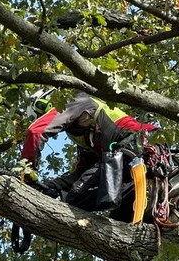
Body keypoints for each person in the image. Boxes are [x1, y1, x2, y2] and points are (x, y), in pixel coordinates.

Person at [21, 91, 158, 215]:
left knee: (76, 196)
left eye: (42, 115)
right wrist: (50, 186)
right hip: (124, 158)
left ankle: (141, 190)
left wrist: (26, 174)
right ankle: (139, 194)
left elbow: (35, 132)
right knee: (116, 214)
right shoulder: (84, 130)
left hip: (135, 147)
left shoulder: (73, 102)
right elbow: (83, 173)